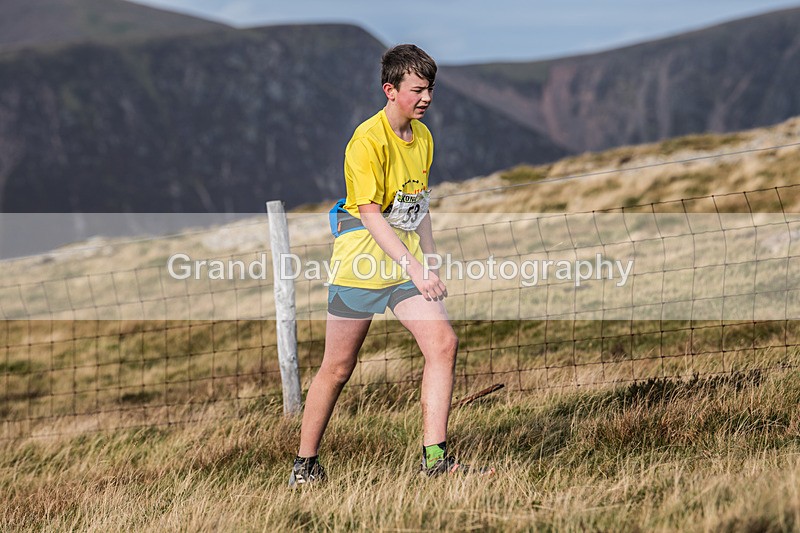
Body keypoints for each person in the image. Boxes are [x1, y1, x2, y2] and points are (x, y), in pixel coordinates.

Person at [288, 44, 491, 486]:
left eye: (430, 89)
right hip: (360, 265)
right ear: (390, 89)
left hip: (405, 266)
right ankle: (305, 465)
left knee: (443, 344)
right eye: (417, 90)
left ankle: (434, 460)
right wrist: (414, 267)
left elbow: (419, 206)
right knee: (338, 368)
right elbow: (369, 213)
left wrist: (429, 263)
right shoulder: (366, 140)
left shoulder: (425, 138)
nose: (427, 98)